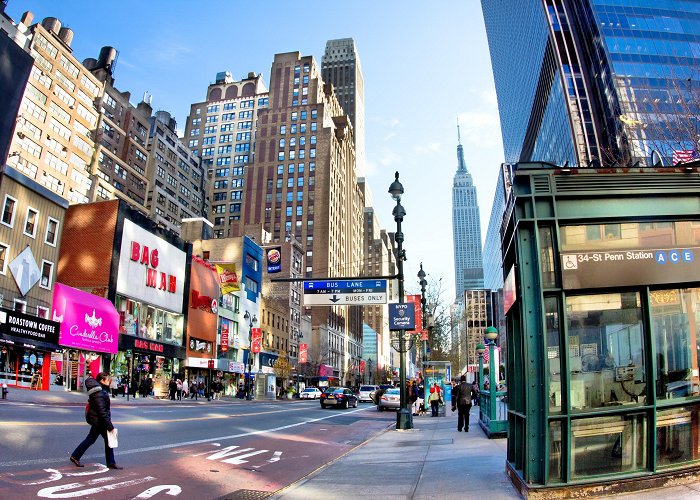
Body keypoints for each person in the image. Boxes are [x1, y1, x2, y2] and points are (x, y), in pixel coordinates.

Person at [69, 372, 123, 469]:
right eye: (107, 380)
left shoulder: (100, 390)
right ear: (102, 381)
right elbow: (102, 411)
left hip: (98, 421)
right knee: (98, 439)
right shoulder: (99, 392)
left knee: (97, 439)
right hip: (100, 422)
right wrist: (109, 425)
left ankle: (76, 456)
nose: (109, 382)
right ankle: (110, 462)